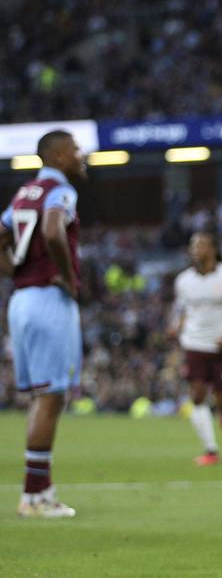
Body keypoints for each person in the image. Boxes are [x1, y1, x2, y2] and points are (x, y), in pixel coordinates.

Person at [1, 130, 86, 519]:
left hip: (21, 299)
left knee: (42, 396)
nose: (81, 156)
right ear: (56, 155)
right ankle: (36, 496)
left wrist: (13, 271)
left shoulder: (23, 192)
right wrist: (68, 278)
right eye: (75, 150)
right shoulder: (60, 190)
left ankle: (39, 490)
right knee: (51, 397)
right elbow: (53, 230)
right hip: (49, 299)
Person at [169, 231, 222, 466]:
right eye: (193, 245)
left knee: (221, 398)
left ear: (213, 249)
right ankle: (211, 450)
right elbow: (182, 310)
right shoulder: (184, 281)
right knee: (197, 396)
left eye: (201, 245)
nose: (196, 249)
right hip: (195, 343)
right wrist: (176, 327)